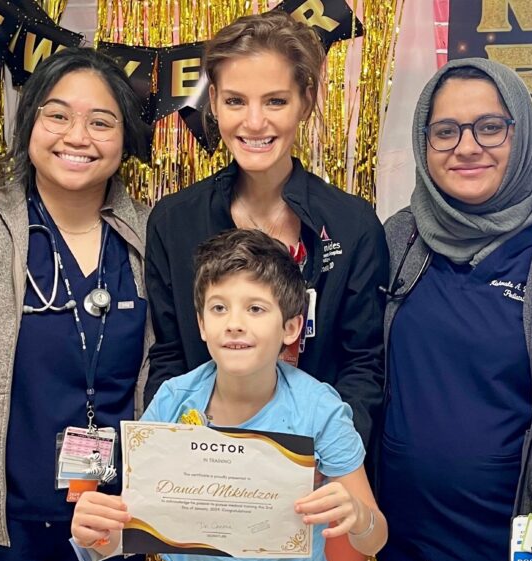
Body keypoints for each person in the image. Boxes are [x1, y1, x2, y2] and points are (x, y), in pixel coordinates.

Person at [377, 57, 532, 561]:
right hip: (393, 542)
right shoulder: (396, 238)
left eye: (490, 127)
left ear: (524, 133)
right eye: (445, 130)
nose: (467, 146)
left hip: (511, 544)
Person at [0, 48, 152, 561]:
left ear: (125, 139)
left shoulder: (150, 236)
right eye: (57, 115)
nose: (77, 136)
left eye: (101, 121)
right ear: (30, 123)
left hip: (115, 526)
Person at [144, 11, 388, 448]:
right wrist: (168, 456)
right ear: (213, 102)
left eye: (275, 101)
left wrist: (325, 462)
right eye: (236, 101)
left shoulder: (353, 225)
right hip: (200, 472)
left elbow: (362, 366)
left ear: (306, 102)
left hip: (313, 474)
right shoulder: (173, 221)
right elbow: (170, 357)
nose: (254, 123)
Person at [70, 228, 388, 561]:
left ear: (291, 327)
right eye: (219, 308)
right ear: (202, 324)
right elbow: (125, 536)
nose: (234, 323)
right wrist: (94, 532)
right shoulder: (172, 401)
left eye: (255, 309)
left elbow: (374, 542)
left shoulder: (319, 410)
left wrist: (359, 516)